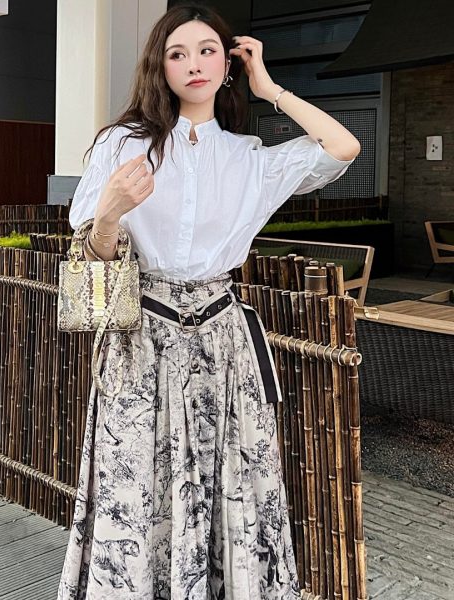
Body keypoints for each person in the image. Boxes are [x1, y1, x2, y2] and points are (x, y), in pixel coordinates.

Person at [57, 3, 360, 599]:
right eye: (177, 54)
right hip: (140, 339)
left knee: (234, 484)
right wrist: (111, 211)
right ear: (161, 68)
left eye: (207, 51)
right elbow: (94, 254)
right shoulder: (122, 145)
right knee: (134, 484)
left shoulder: (250, 158)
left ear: (227, 65)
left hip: (224, 345)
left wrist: (269, 89)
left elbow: (342, 147)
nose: (193, 63)